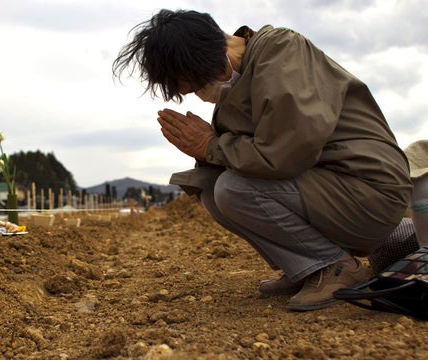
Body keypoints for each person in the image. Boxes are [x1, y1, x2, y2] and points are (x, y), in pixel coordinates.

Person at [112, 9, 412, 311]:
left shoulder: (282, 51)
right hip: (334, 189)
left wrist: (210, 146)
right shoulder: (238, 84)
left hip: (369, 191)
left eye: (193, 82)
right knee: (210, 185)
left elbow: (285, 154)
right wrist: (206, 152)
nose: (195, 92)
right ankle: (307, 266)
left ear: (215, 54)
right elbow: (240, 155)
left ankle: (335, 267)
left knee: (232, 189)